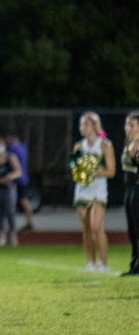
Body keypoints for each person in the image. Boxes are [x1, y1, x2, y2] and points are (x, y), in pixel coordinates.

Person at [72, 112, 115, 272]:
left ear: (95, 126)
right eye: (80, 124)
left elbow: (111, 171)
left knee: (97, 227)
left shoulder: (105, 145)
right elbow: (74, 170)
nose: (82, 128)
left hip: (98, 191)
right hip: (82, 190)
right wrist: (82, 170)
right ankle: (91, 262)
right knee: (87, 229)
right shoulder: (78, 146)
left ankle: (104, 264)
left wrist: (92, 171)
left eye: (85, 124)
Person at [5, 129, 34, 231]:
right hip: (23, 177)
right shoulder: (23, 148)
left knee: (22, 200)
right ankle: (29, 222)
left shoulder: (13, 149)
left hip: (18, 179)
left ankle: (27, 223)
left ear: (12, 138)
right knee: (23, 200)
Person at [121, 111, 139, 276]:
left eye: (132, 125)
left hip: (137, 189)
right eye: (127, 124)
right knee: (132, 230)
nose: (128, 128)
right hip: (129, 190)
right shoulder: (129, 144)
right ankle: (134, 264)